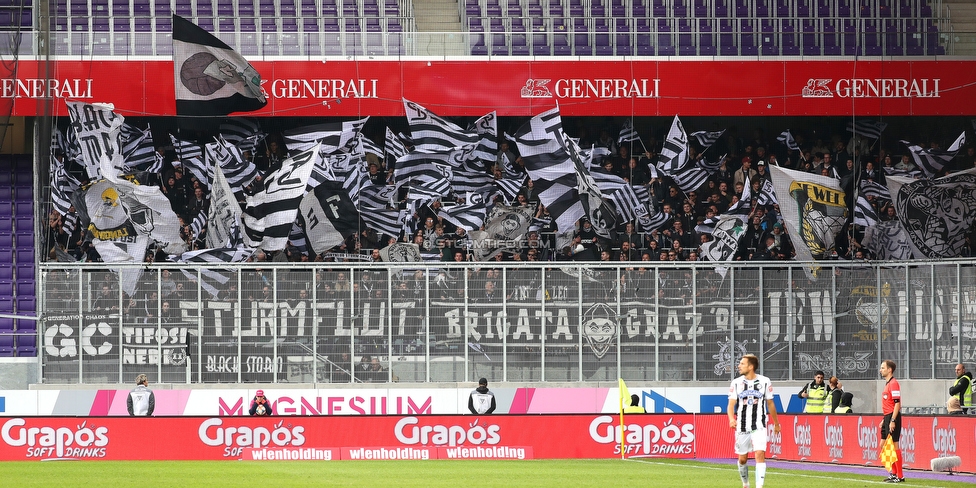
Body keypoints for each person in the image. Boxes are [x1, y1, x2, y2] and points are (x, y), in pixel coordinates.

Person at [728, 354, 781, 488]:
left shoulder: (764, 381)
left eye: (742, 364)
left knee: (759, 454)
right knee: (742, 459)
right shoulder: (736, 383)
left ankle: (759, 486)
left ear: (750, 367)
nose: (739, 366)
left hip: (759, 425)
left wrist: (776, 423)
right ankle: (745, 483)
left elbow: (770, 404)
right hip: (742, 426)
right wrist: (731, 419)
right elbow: (731, 404)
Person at [880, 359, 904, 483]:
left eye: (883, 368)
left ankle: (899, 475)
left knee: (894, 445)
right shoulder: (888, 383)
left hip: (893, 417)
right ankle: (894, 473)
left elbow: (897, 404)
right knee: (883, 445)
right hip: (887, 417)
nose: (881, 370)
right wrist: (884, 420)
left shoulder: (894, 383)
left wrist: (893, 420)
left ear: (889, 370)